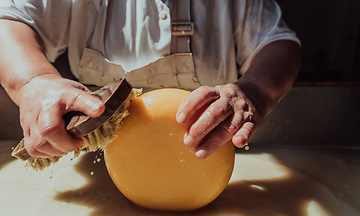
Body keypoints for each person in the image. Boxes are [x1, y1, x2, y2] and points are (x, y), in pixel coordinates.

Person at [0, 0, 301, 159]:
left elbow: (277, 42)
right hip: (101, 158)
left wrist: (255, 90)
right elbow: (9, 20)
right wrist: (33, 81)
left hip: (210, 156)